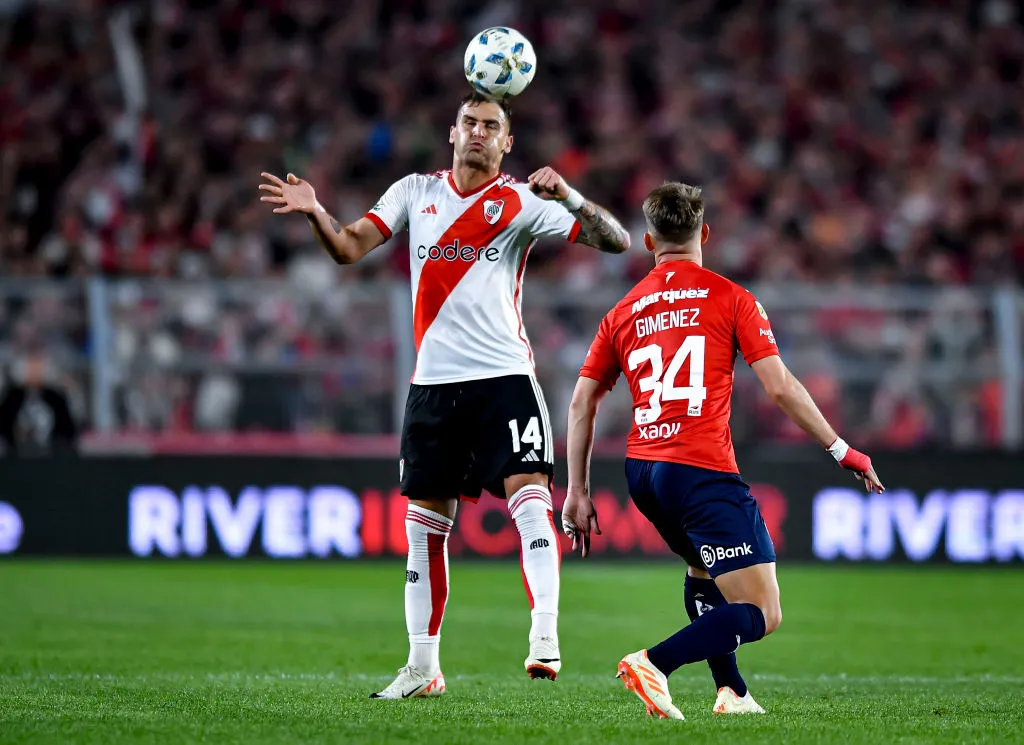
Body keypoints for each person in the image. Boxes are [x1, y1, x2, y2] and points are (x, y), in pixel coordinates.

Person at [258, 91, 631, 699]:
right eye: (470, 123)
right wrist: (315, 212)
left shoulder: (522, 201)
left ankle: (544, 634)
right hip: (433, 386)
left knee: (530, 503)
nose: (479, 132)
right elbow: (348, 247)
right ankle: (422, 668)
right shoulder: (414, 193)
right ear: (452, 133)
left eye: (491, 126)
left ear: (507, 142)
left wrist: (569, 197)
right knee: (424, 528)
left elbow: (616, 240)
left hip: (505, 379)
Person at [561, 183, 884, 720]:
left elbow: (581, 402)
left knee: (701, 571)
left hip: (644, 471)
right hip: (699, 467)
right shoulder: (732, 297)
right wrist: (841, 449)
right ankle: (654, 663)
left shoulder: (622, 311)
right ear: (705, 233)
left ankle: (731, 692)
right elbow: (779, 386)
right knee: (762, 610)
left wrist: (577, 490)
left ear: (648, 242)